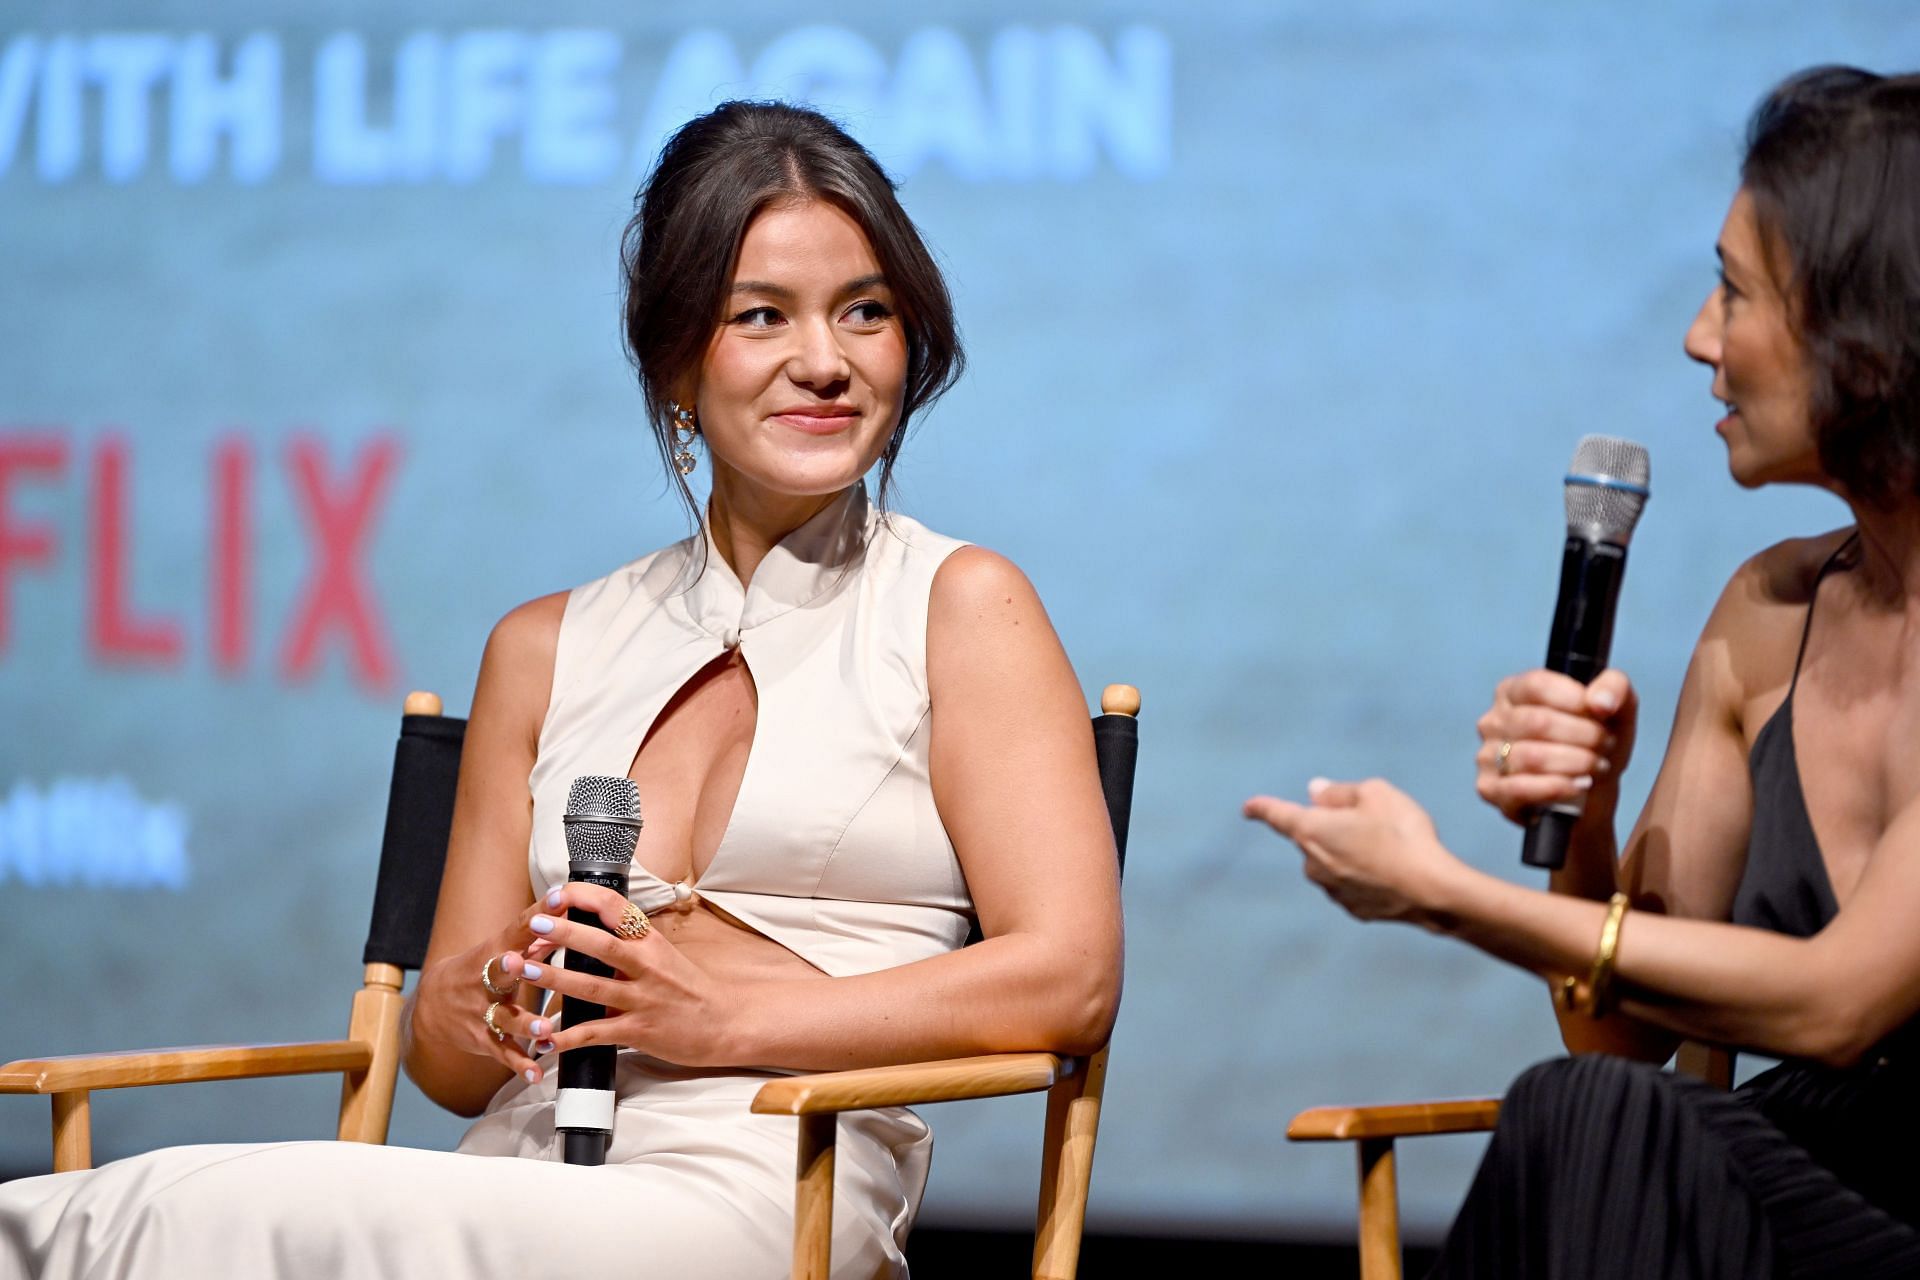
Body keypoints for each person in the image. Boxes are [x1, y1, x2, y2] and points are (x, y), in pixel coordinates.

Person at [0, 101, 1123, 1279]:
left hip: (772, 1185)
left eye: (866, 312)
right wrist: (493, 991)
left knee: (193, 1213)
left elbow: (1069, 975)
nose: (827, 361)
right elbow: (445, 1067)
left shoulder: (961, 603)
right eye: (762, 317)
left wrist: (726, 1022)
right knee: (104, 1209)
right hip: (524, 1160)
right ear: (677, 355)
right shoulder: (543, 644)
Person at [1245, 67, 1920, 1278]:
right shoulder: (1769, 613)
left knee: (1584, 1116)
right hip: (1768, 1188)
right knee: (1588, 1103)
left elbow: (1839, 1003)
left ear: (1864, 327)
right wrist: (1591, 824)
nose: (1697, 336)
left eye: (1734, 290)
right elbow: (1617, 1037)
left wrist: (1441, 890)